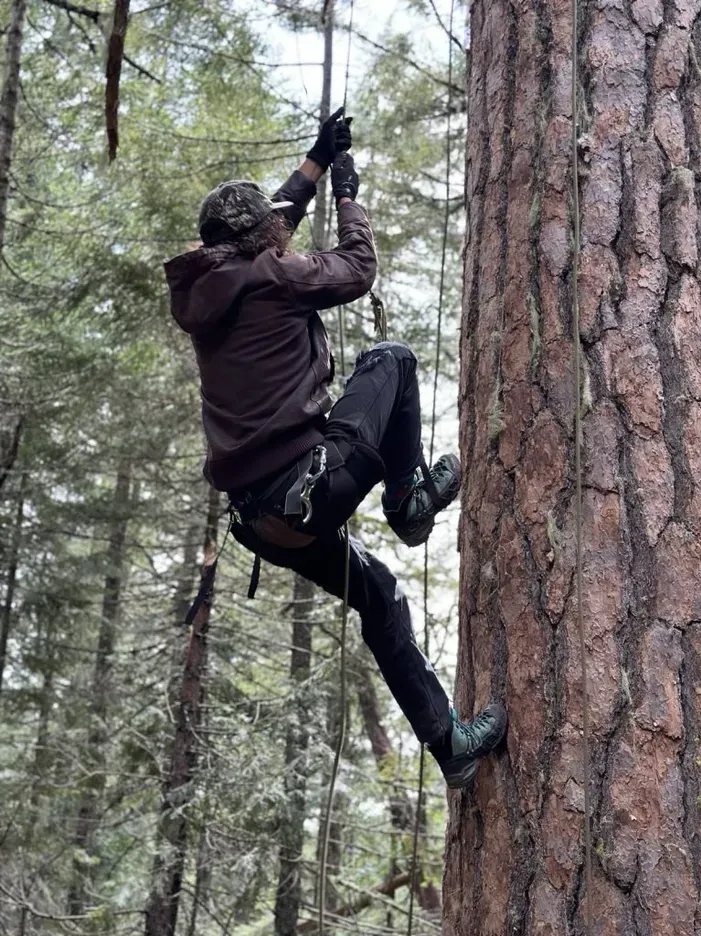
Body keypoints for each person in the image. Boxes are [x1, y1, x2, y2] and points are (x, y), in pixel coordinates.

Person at [165, 107, 506, 788]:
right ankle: (409, 504)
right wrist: (349, 197)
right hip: (310, 485)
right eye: (269, 228)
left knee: (378, 597)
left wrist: (318, 160)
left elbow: (273, 221)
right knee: (391, 359)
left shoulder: (210, 288)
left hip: (266, 521)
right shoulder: (273, 276)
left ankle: (452, 747)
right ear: (255, 238)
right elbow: (355, 269)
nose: (277, 230)